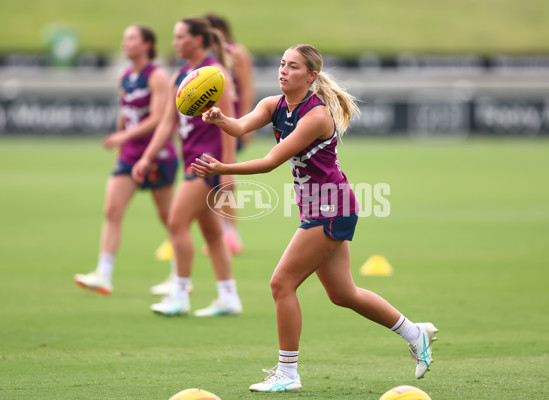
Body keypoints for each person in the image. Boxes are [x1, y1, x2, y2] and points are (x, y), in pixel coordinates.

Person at [191, 44, 438, 392]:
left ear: (310, 76)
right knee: (343, 293)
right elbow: (241, 126)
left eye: (292, 67)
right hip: (320, 207)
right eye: (281, 64)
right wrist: (221, 120)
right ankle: (415, 333)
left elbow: (271, 160)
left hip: (332, 207)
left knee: (281, 283)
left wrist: (223, 169)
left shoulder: (316, 116)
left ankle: (288, 373)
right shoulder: (272, 105)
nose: (283, 71)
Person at [132, 17, 242, 317]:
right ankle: (228, 296)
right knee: (211, 233)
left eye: (181, 36)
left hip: (207, 164)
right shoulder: (180, 76)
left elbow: (230, 125)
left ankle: (179, 293)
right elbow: (168, 122)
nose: (176, 42)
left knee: (176, 223)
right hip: (190, 161)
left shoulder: (216, 75)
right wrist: (147, 157)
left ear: (198, 40)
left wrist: (228, 168)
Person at [74, 25, 178, 295]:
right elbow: (125, 111)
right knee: (112, 210)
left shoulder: (156, 75)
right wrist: (121, 139)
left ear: (147, 44)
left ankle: (178, 275)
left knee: (169, 217)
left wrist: (123, 137)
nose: (125, 43)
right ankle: (103, 274)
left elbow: (157, 117)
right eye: (124, 38)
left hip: (156, 154)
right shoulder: (125, 76)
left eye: (131, 38)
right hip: (130, 155)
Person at [204, 13, 256, 255]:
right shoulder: (207, 58)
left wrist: (245, 122)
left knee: (225, 178)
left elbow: (246, 87)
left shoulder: (236, 52)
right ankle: (219, 233)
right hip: (207, 125)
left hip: (231, 123)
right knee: (210, 179)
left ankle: (231, 233)